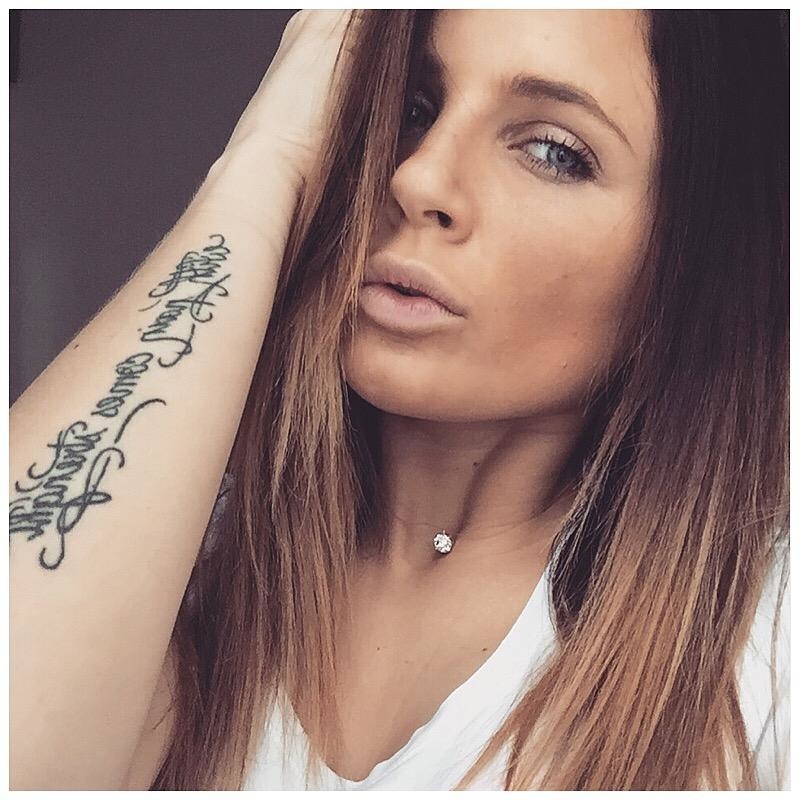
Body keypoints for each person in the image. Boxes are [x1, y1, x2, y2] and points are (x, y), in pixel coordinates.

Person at [9, 8, 789, 791]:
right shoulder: (180, 568)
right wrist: (260, 163)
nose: (417, 178)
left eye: (553, 151)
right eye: (412, 108)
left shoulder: (767, 650)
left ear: (697, 260)